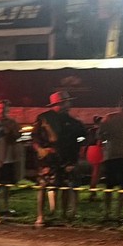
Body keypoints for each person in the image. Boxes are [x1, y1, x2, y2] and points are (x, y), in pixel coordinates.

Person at [32, 90, 85, 226]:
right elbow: (35, 137)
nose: (70, 104)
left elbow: (81, 138)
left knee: (65, 186)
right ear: (60, 103)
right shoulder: (43, 118)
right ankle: (40, 216)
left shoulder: (72, 122)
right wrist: (40, 149)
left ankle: (63, 215)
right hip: (48, 158)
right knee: (43, 186)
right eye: (67, 101)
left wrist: (74, 158)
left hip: (66, 158)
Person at [0, 99, 20, 214]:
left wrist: (9, 131)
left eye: (4, 108)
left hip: (8, 156)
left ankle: (5, 206)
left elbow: (18, 136)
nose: (1, 110)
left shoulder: (12, 122)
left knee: (6, 183)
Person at [85, 115, 104, 201]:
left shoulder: (90, 130)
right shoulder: (100, 131)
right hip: (97, 150)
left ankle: (93, 192)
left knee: (95, 172)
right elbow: (99, 141)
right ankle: (93, 193)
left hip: (90, 150)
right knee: (96, 173)